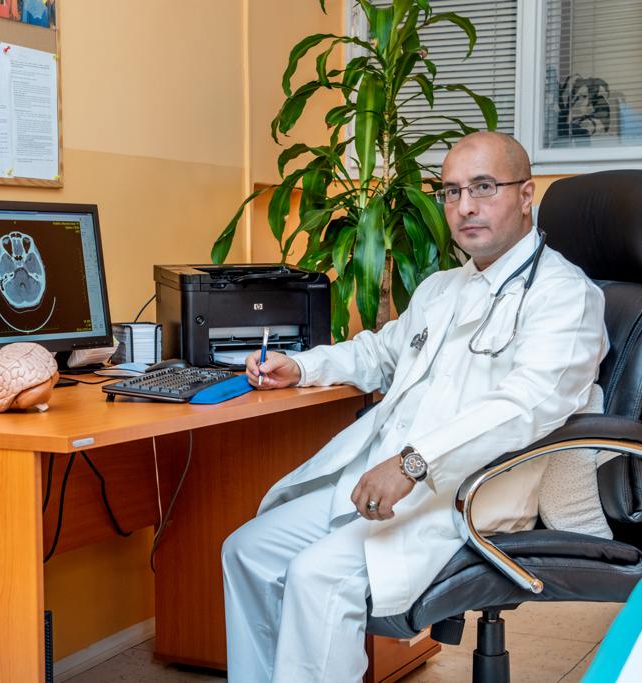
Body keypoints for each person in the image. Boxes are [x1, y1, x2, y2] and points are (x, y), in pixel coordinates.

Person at [221, 131, 609, 682]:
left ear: (526, 195)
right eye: (451, 191)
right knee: (248, 551)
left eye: (483, 187)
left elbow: (531, 403)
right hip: (386, 476)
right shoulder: (442, 289)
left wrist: (412, 462)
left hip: (469, 494)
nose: (465, 206)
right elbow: (380, 352)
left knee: (317, 577)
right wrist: (302, 367)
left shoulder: (564, 294)